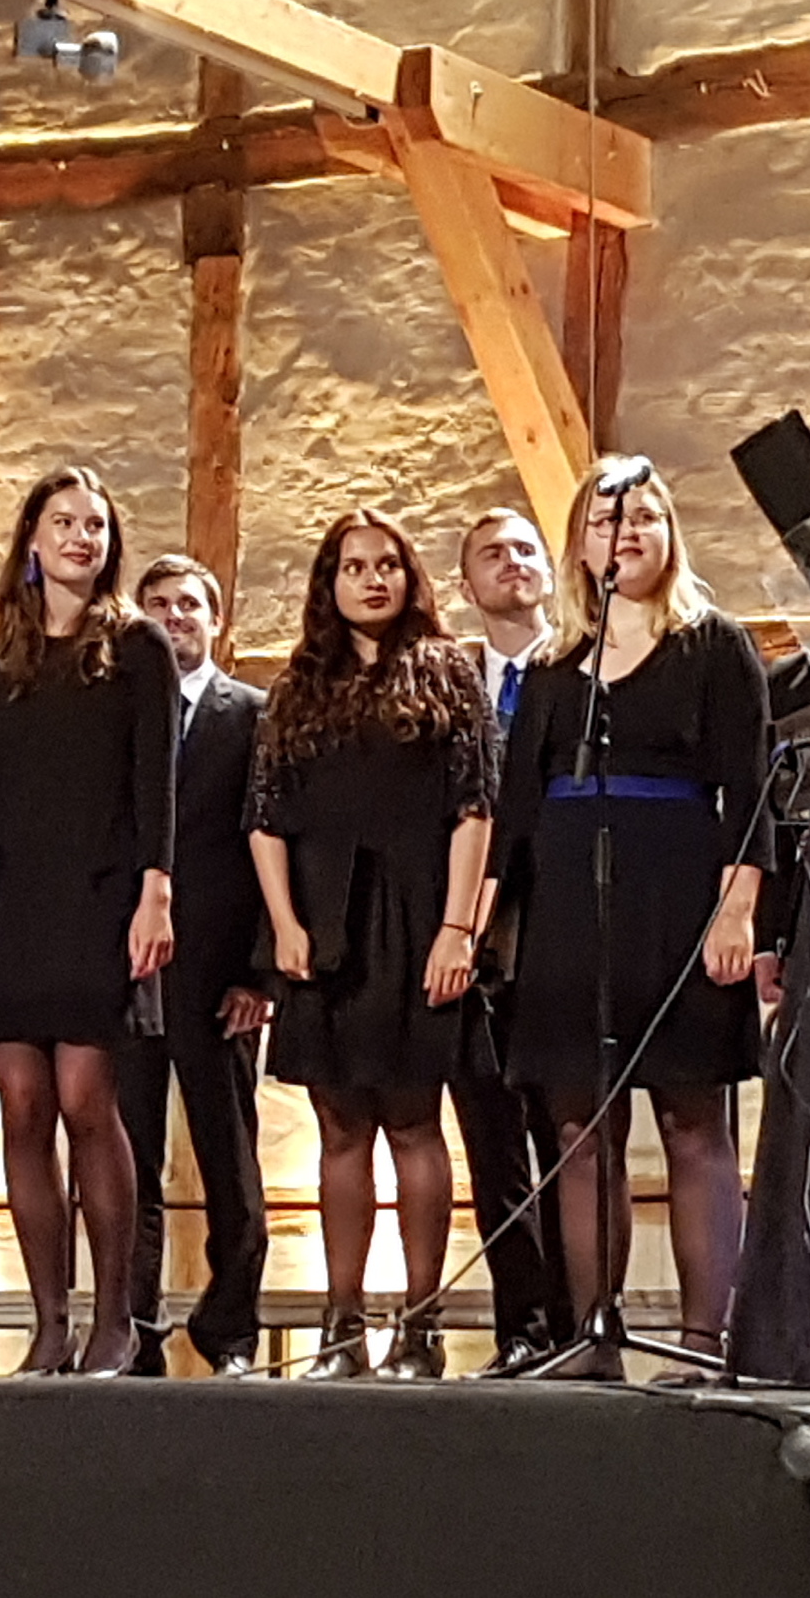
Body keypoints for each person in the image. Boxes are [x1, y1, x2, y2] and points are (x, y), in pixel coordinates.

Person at [485, 460, 771, 1377]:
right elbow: (514, 808)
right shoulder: (551, 667)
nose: (629, 533)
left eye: (646, 516)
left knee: (693, 1118)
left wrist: (738, 912)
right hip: (570, 908)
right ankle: (593, 1336)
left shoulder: (714, 644)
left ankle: (703, 1340)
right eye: (609, 521)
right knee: (579, 1127)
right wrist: (483, 924)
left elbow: (751, 791)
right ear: (581, 544)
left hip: (679, 897)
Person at [0, 465, 178, 1376]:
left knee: (85, 1099)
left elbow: (156, 781)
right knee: (22, 1105)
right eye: (64, 521)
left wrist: (155, 892)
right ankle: (48, 1320)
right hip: (11, 900)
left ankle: (116, 1316)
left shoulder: (137, 647)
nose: (82, 537)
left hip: (101, 892)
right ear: (32, 539)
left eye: (95, 524)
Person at [251, 513, 494, 1381]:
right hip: (324, 922)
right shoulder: (297, 686)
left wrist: (456, 929)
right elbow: (265, 818)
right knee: (339, 1127)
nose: (372, 579)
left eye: (387, 564)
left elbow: (475, 809)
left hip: (416, 916)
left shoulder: (447, 673)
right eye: (353, 566)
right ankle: (341, 1326)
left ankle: (420, 1328)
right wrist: (284, 923)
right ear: (330, 582)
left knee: (414, 1122)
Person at [123, 554, 271, 1377]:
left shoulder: (251, 713)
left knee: (231, 1159)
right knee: (127, 1156)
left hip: (221, 972)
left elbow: (271, 843)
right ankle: (132, 1328)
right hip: (127, 971)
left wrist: (261, 972)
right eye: (157, 604)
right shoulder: (117, 714)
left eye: (188, 603)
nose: (173, 616)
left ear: (216, 620)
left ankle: (231, 1329)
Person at [451, 509, 568, 1370]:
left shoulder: (584, 669)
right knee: (491, 1145)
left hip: (560, 927)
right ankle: (520, 1327)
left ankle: (577, 1319)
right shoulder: (453, 685)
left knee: (568, 1134)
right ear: (467, 584)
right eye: (491, 553)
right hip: (474, 941)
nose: (511, 562)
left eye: (525, 548)